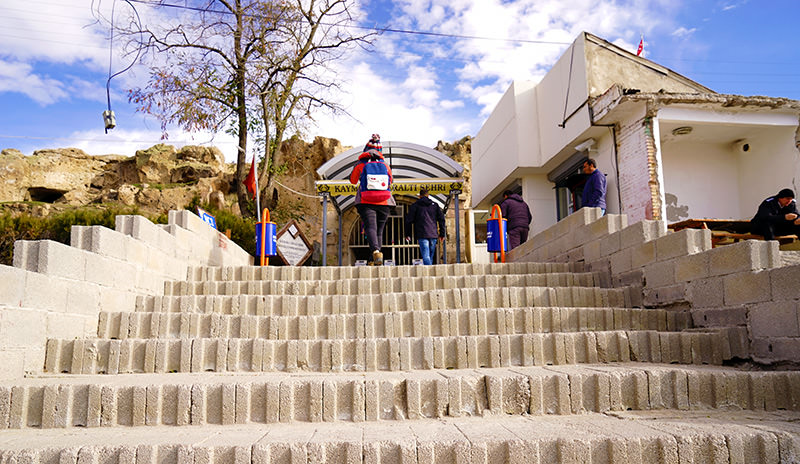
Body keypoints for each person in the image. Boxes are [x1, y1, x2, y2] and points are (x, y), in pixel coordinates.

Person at [349, 134, 395, 265]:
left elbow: (352, 181)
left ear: (365, 151)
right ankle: (373, 258)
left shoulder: (361, 165)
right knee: (378, 230)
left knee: (371, 227)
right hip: (385, 202)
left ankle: (375, 252)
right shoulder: (385, 165)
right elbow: (391, 181)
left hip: (366, 201)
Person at [405, 188, 446, 265]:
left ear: (419, 196)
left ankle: (429, 272)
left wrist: (408, 234)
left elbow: (409, 221)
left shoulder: (415, 206)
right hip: (433, 233)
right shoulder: (435, 205)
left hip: (422, 233)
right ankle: (429, 271)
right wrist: (442, 233)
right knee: (430, 255)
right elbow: (441, 219)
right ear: (428, 196)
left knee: (426, 255)